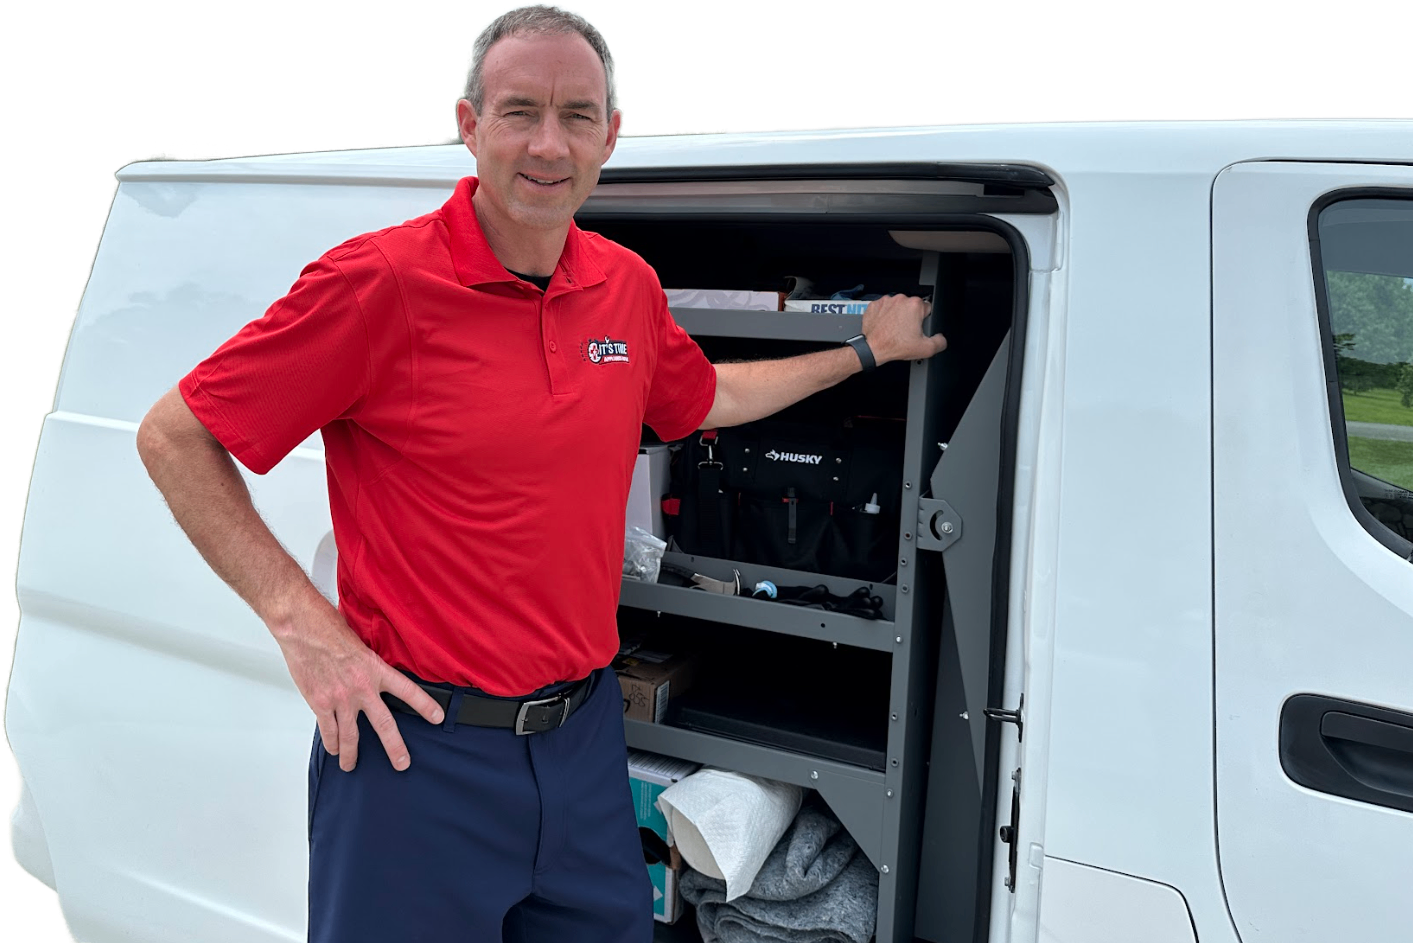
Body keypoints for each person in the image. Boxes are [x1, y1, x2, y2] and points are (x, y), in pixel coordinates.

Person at [134, 4, 946, 941]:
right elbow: (174, 436)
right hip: (417, 755)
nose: (548, 144)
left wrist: (863, 352)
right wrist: (303, 626)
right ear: (470, 124)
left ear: (611, 133)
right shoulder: (377, 285)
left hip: (583, 744)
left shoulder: (624, 285)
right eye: (519, 111)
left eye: (576, 114)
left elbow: (705, 397)